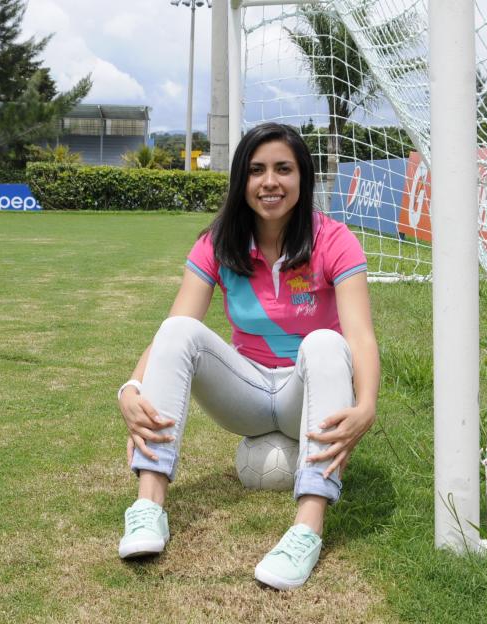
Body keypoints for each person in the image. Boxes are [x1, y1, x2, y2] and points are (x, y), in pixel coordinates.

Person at [115, 122, 379, 591]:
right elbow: (173, 329)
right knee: (179, 329)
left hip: (307, 392)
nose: (270, 182)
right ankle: (148, 507)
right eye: (257, 170)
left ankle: (307, 528)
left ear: (303, 178)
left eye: (283, 169)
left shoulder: (334, 239)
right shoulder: (218, 242)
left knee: (324, 341)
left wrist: (367, 405)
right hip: (250, 393)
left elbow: (359, 336)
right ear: (242, 180)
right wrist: (131, 387)